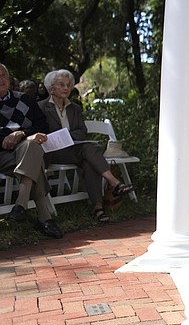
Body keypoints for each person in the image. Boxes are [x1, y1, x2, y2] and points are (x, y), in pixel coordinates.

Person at [39, 69, 134, 223]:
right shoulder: (41, 107)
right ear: (51, 88)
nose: (66, 88)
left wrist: (67, 136)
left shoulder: (74, 108)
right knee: (89, 149)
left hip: (73, 150)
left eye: (69, 85)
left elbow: (82, 131)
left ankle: (98, 208)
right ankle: (114, 182)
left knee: (89, 161)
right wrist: (62, 137)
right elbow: (41, 132)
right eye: (61, 85)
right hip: (52, 151)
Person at [0, 64, 63, 238]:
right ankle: (44, 217)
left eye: (3, 75)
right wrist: (6, 139)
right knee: (33, 161)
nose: (0, 80)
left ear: (9, 78)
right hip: (2, 154)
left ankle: (21, 205)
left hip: (24, 149)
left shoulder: (25, 100)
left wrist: (22, 134)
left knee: (32, 147)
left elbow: (42, 125)